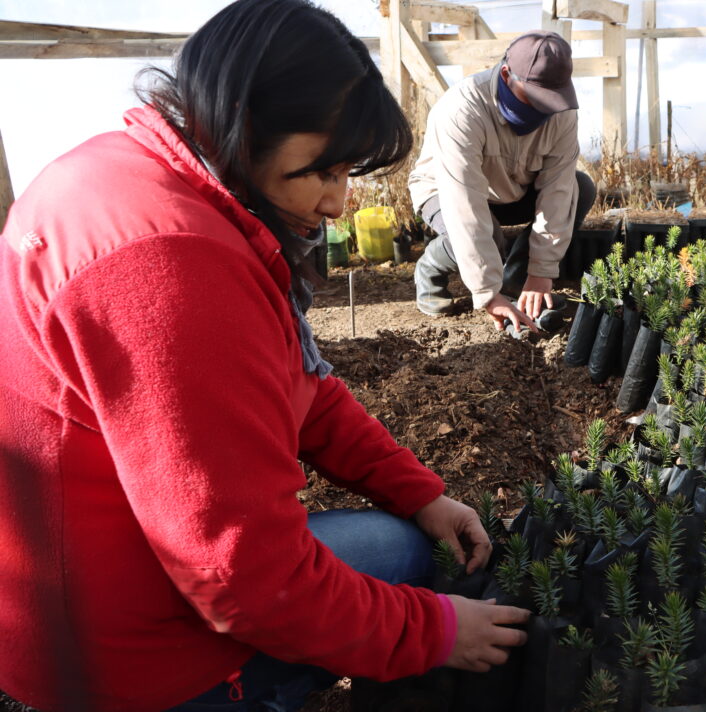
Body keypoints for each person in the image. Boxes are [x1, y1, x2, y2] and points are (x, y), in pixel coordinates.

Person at [0, 2, 528, 710]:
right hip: (120, 660)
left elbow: (297, 388)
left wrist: (421, 492)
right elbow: (241, 576)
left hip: (96, 583)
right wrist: (432, 633)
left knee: (401, 536)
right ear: (245, 125)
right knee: (403, 564)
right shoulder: (171, 266)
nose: (340, 203)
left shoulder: (146, 175)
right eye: (323, 172)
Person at [409, 30, 597, 332]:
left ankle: (518, 281)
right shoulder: (463, 109)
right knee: (486, 240)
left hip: (513, 189)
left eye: (551, 100)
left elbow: (558, 191)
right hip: (445, 191)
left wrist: (541, 273)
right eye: (536, 98)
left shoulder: (562, 115)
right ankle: (431, 268)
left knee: (580, 188)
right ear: (508, 74)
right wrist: (487, 293)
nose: (544, 109)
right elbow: (464, 204)